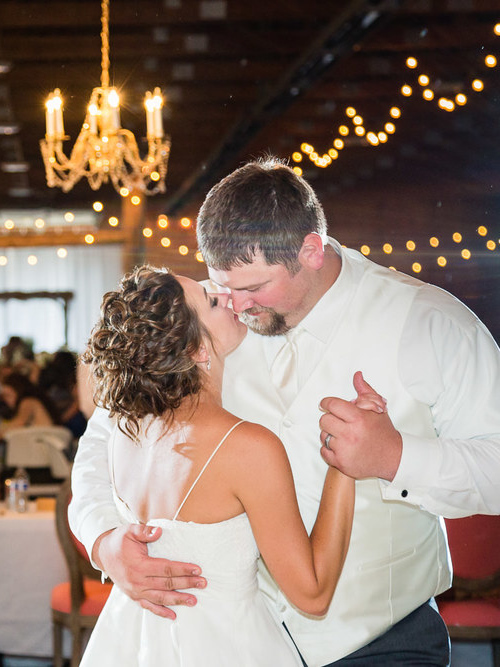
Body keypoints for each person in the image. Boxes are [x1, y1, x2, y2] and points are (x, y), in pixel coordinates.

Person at [69, 158, 500, 666]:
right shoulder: (206, 327)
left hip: (381, 643)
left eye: (254, 288)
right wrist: (103, 540)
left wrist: (396, 456)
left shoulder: (429, 321)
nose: (237, 304)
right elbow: (105, 437)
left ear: (311, 251)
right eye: (222, 285)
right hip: (230, 642)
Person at [76, 266, 376, 665]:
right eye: (212, 301)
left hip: (135, 640)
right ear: (197, 350)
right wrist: (344, 462)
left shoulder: (129, 429)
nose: (226, 297)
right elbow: (313, 593)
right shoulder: (247, 447)